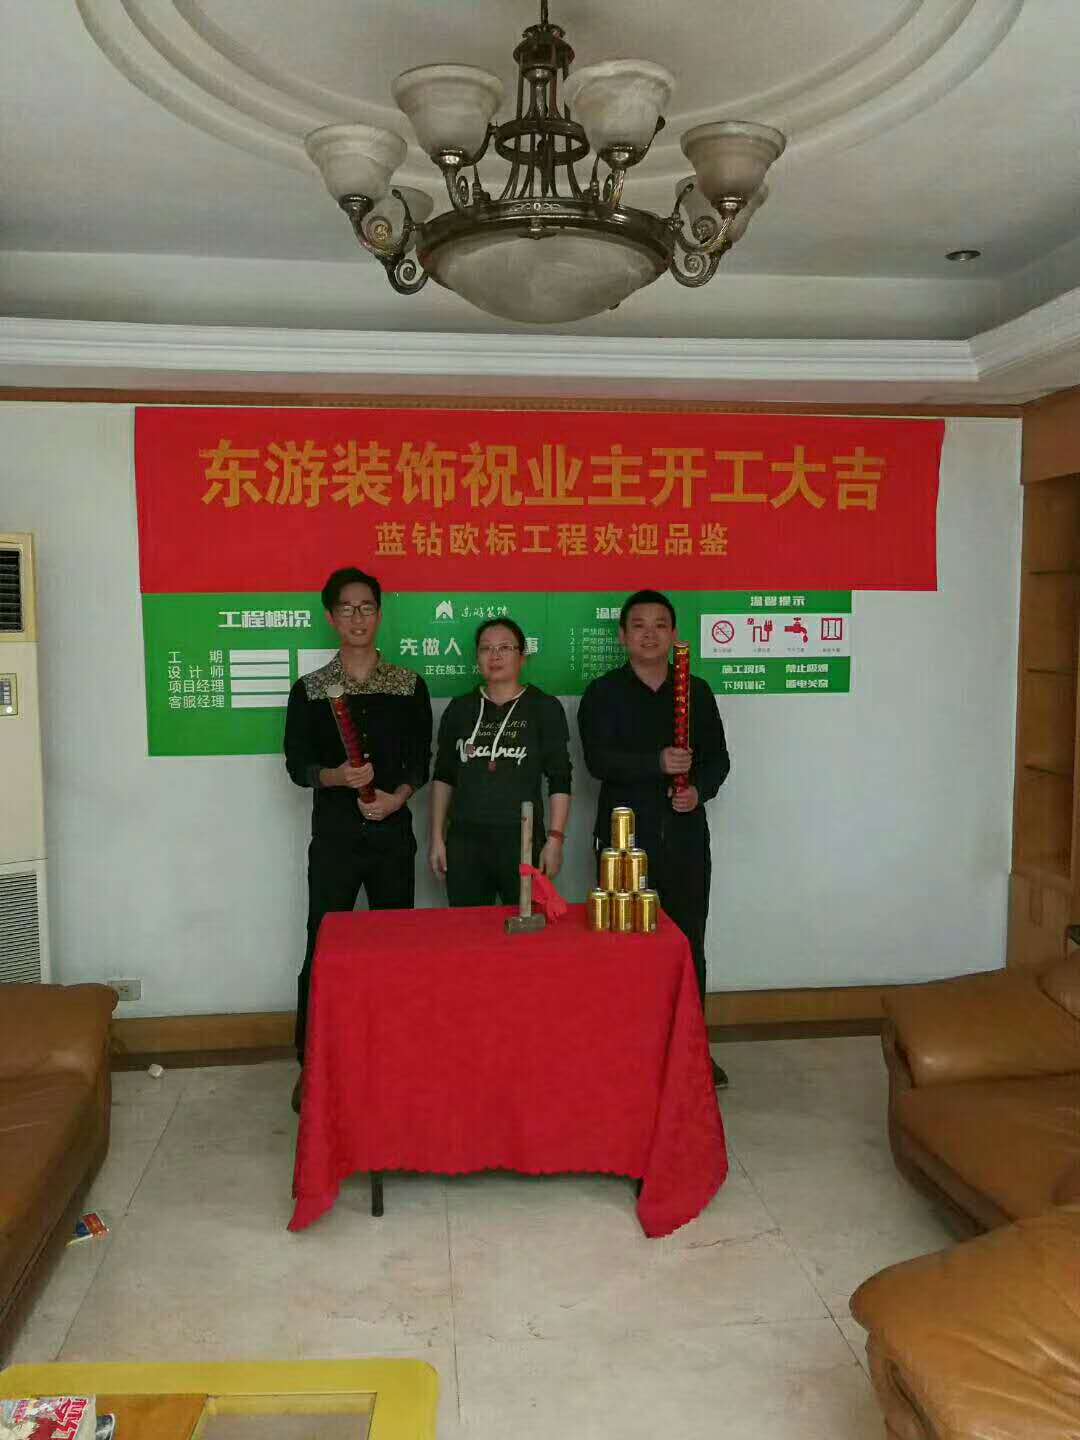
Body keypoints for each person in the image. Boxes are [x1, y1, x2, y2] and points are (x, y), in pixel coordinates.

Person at [284, 566, 432, 1109]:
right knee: (323, 945)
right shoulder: (310, 690)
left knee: (395, 948)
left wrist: (398, 797)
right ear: (331, 617)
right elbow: (297, 766)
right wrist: (336, 777)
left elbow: (420, 760)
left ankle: (397, 1055)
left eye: (366, 607)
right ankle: (313, 1063)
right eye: (346, 608)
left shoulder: (409, 685)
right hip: (336, 839)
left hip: (393, 834)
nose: (357, 617)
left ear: (379, 614)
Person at [577, 589, 731, 1087]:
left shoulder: (696, 692)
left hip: (684, 836)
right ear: (623, 636)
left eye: (660, 625)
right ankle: (626, 1050)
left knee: (687, 943)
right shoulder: (603, 693)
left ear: (674, 635)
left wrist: (699, 790)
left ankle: (691, 1051)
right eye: (639, 625)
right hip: (624, 839)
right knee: (623, 944)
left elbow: (718, 760)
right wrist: (656, 763)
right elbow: (598, 761)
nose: (649, 634)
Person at [429, 618, 572, 905]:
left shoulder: (544, 708)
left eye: (505, 648)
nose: (495, 656)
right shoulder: (460, 709)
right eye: (486, 649)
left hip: (522, 839)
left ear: (522, 657)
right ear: (477, 657)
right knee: (468, 927)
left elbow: (560, 777)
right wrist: (437, 838)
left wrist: (555, 839)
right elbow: (444, 776)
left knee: (524, 927)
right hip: (465, 841)